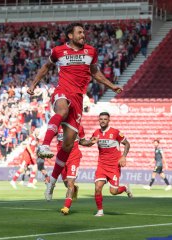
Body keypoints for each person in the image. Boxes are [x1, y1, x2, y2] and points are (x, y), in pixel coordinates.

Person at [27, 23, 122, 199]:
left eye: (83, 32)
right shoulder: (58, 51)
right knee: (61, 110)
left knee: (68, 145)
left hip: (78, 99)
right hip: (62, 91)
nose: (83, 35)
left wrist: (111, 85)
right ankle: (45, 144)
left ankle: (52, 183)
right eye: (79, 32)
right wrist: (34, 84)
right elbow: (47, 67)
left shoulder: (91, 52)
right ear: (70, 36)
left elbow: (95, 73)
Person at [91, 112, 133, 217]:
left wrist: (123, 156)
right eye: (101, 119)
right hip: (101, 165)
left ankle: (125, 188)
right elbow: (89, 143)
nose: (103, 121)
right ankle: (100, 211)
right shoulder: (96, 133)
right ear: (98, 120)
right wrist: (86, 141)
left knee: (113, 191)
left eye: (105, 119)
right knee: (97, 188)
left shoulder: (115, 132)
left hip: (114, 166)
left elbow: (127, 144)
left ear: (109, 120)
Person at [53, 125, 97, 215]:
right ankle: (75, 188)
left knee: (70, 183)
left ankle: (66, 207)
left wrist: (91, 142)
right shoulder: (58, 125)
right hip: (61, 158)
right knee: (66, 183)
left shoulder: (78, 127)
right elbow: (49, 135)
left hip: (74, 158)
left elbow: (82, 141)